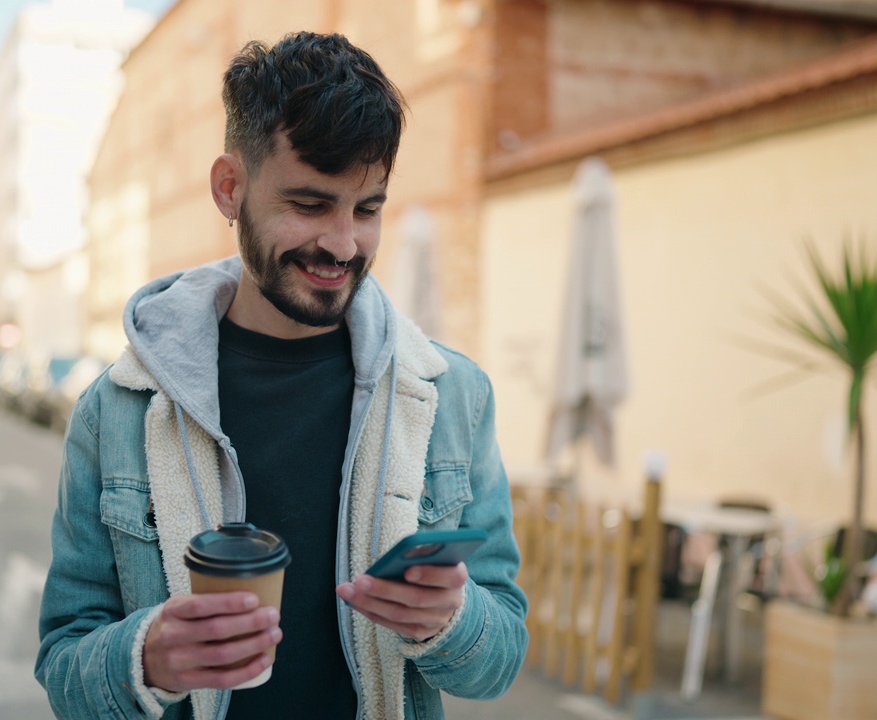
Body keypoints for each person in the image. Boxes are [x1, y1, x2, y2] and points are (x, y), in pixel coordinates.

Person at [35, 31, 528, 720]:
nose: (342, 243)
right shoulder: (116, 410)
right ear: (229, 188)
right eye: (309, 204)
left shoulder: (453, 397)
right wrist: (145, 660)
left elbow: (500, 660)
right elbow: (64, 663)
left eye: (367, 209)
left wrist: (452, 619)